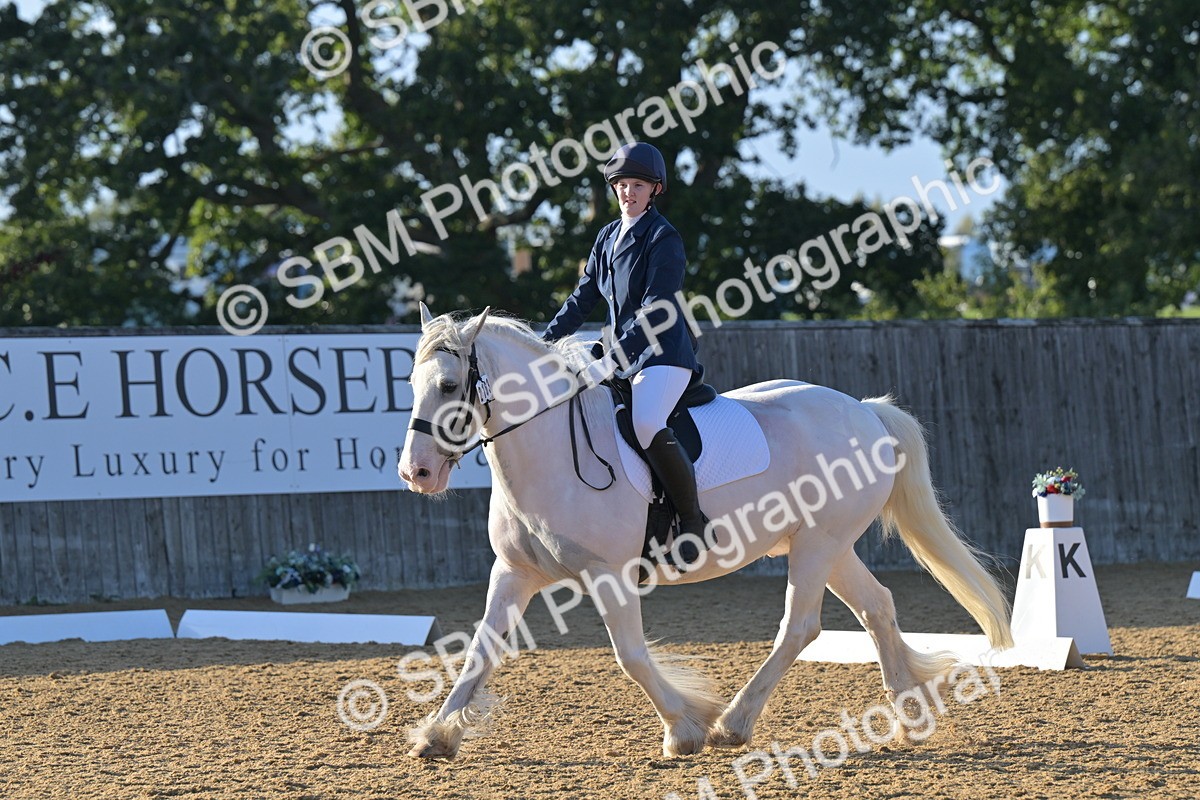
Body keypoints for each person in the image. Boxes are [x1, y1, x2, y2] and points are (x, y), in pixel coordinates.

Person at [542, 141, 709, 568]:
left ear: (655, 190)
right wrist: (546, 343)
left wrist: (612, 359)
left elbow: (656, 311)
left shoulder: (663, 238)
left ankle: (692, 521)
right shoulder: (606, 237)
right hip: (621, 354)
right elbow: (582, 299)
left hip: (662, 354)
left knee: (646, 421)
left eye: (638, 185)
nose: (628, 192)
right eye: (622, 184)